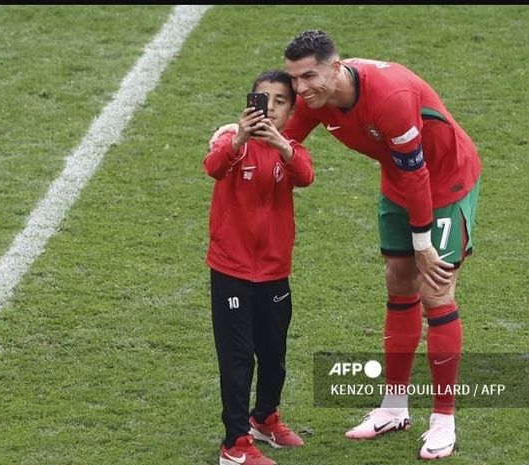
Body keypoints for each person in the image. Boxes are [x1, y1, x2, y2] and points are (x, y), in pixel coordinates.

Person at [211, 29, 481, 460]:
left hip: (444, 181)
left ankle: (443, 420)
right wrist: (235, 134)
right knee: (398, 282)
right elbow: (287, 139)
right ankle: (394, 407)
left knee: (436, 289)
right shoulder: (319, 100)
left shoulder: (389, 97)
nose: (300, 90)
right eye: (295, 79)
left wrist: (423, 242)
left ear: (337, 69)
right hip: (398, 183)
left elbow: (419, 173)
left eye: (309, 77)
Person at [203, 69, 315, 465]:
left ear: (290, 111)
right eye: (263, 99)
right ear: (251, 103)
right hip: (231, 270)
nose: (271, 108)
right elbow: (213, 166)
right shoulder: (229, 138)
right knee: (237, 358)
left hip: (274, 271)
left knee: (273, 352)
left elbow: (305, 175)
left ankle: (264, 418)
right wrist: (239, 138)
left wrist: (282, 146)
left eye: (280, 101)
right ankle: (234, 444)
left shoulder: (292, 146)